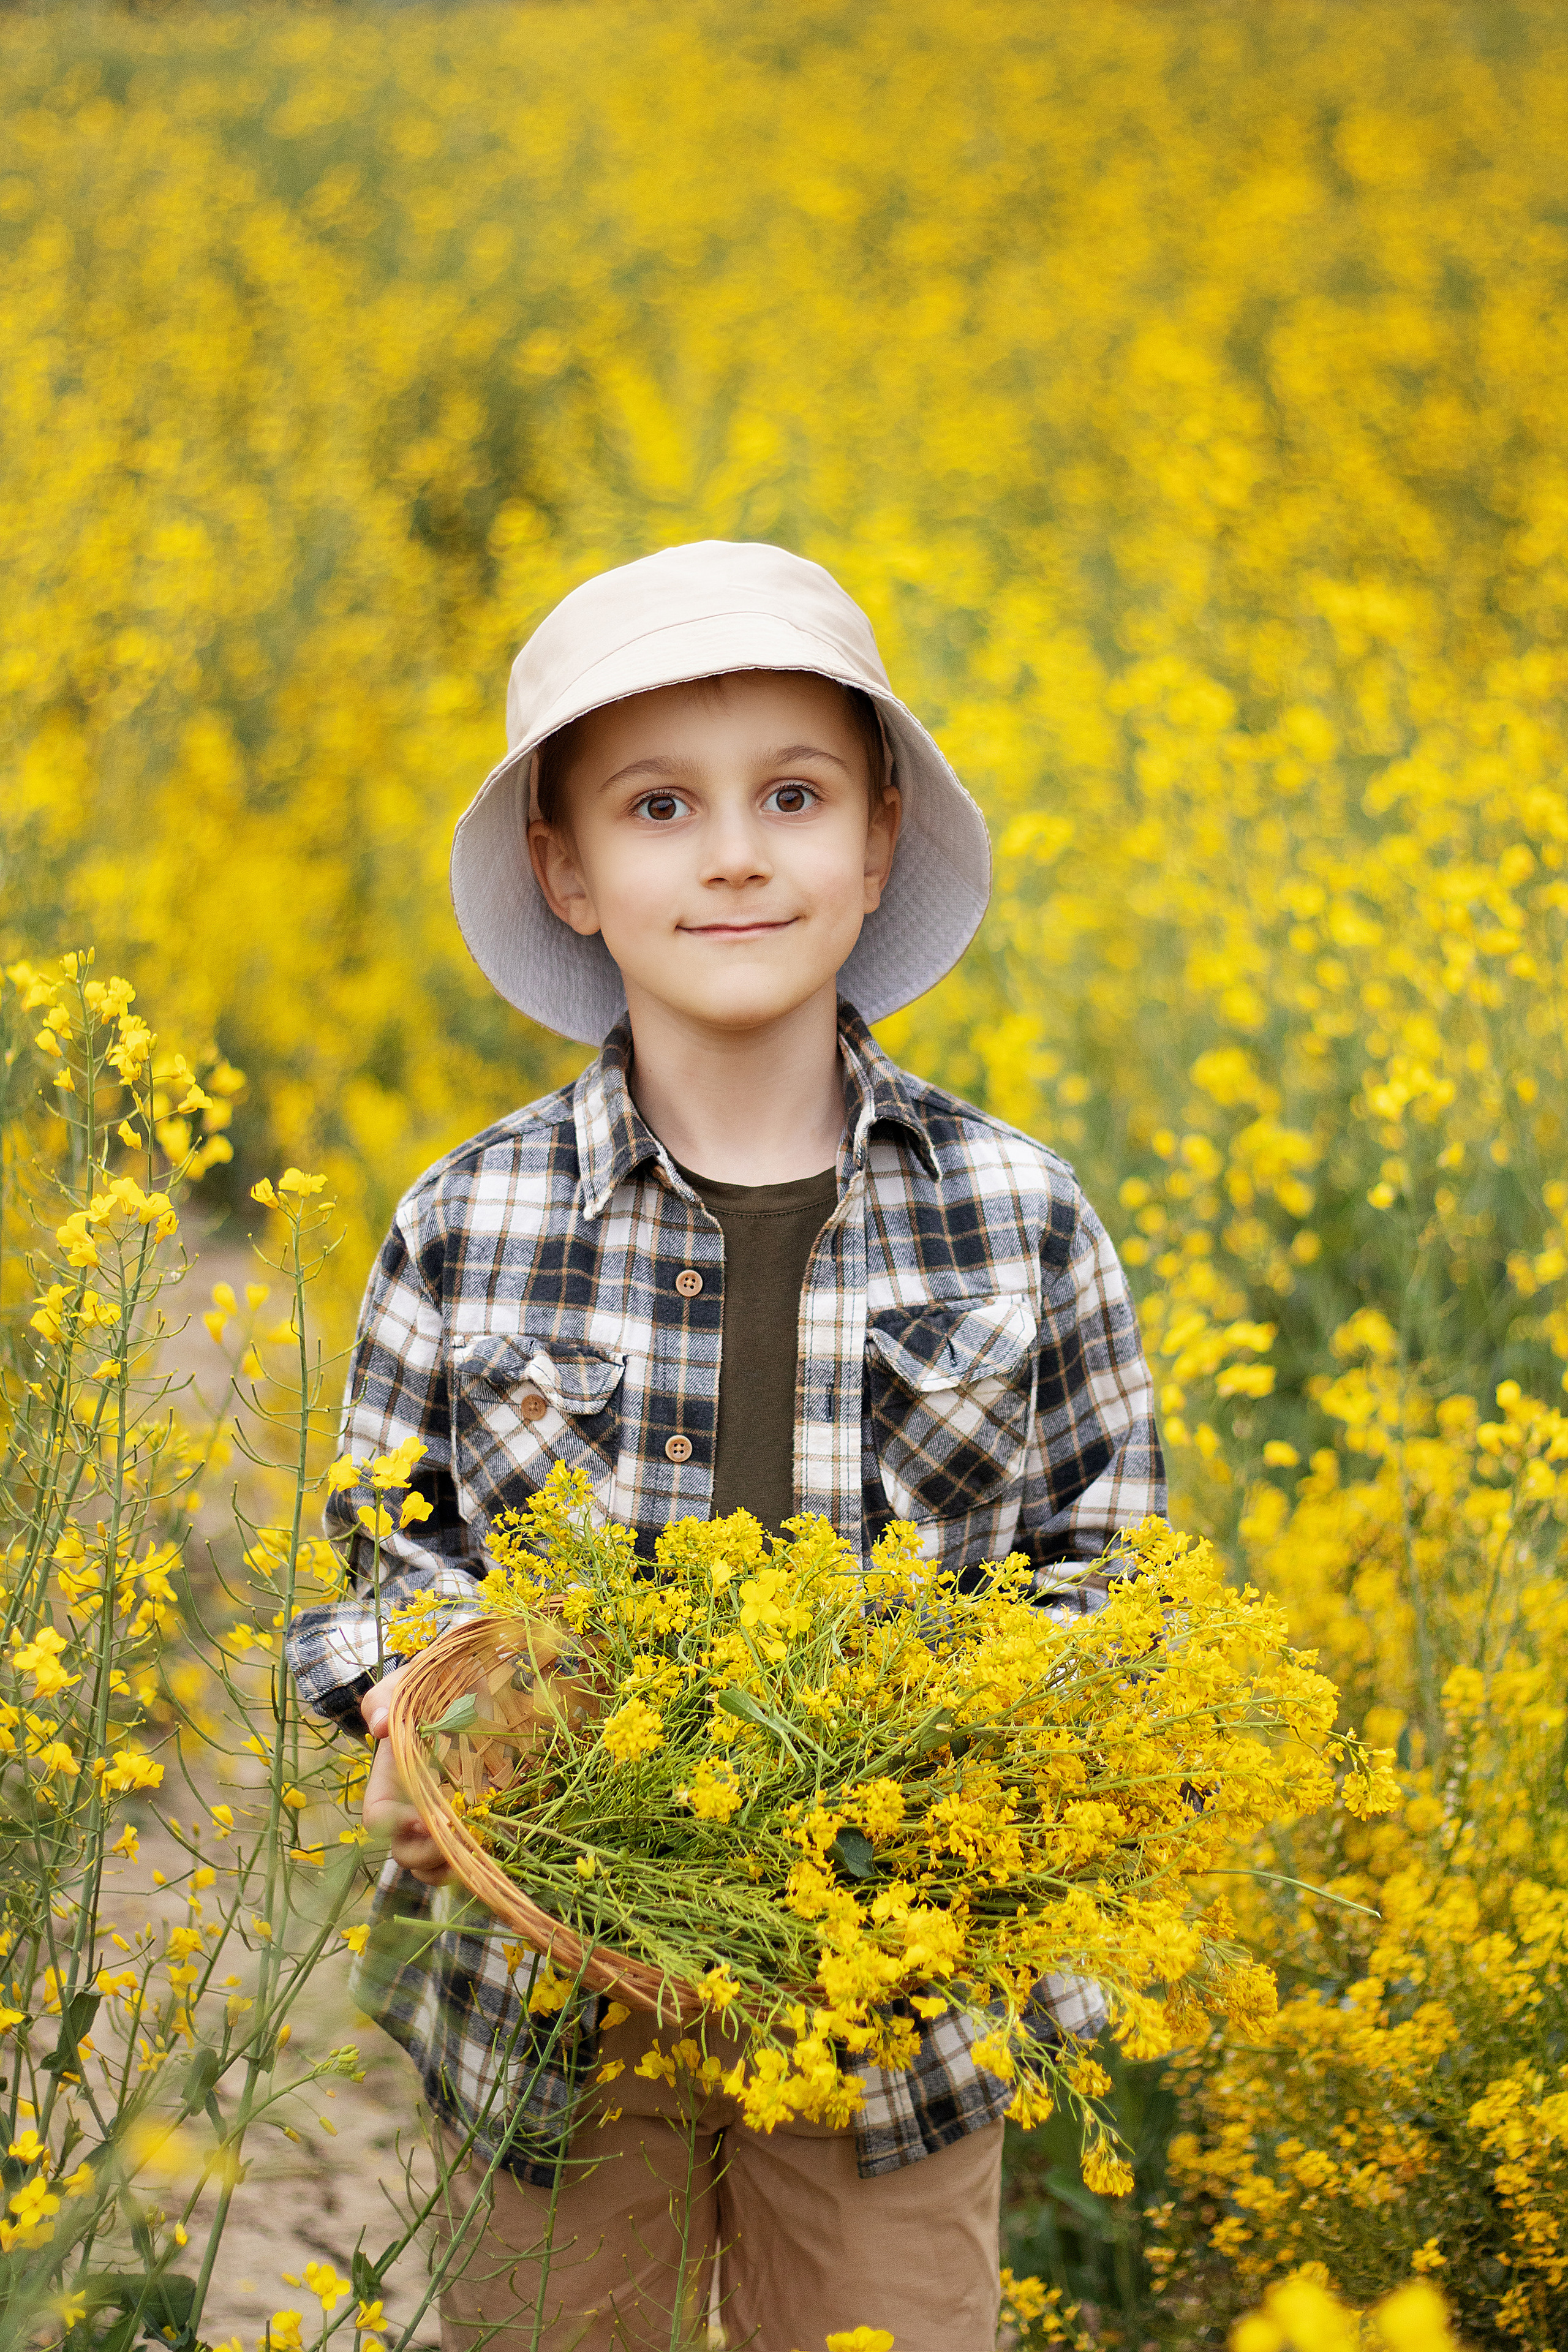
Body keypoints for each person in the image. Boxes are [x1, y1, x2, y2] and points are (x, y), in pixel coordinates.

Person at [285, 540, 1163, 2351]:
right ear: (568, 868)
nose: (738, 853)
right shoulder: (468, 1218)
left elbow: (1110, 1577)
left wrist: (983, 1743)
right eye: (662, 805)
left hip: (894, 2002)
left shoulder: (1021, 1215)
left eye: (793, 795)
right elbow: (379, 1581)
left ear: (878, 837)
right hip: (553, 1987)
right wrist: (422, 1708)